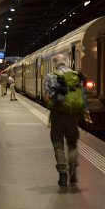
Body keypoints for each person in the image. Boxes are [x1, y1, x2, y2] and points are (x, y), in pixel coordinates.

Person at [43, 54, 86, 186]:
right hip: (73, 116)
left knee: (58, 144)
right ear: (68, 62)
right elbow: (82, 96)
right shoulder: (76, 75)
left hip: (57, 115)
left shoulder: (51, 76)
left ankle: (63, 174)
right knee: (72, 144)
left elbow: (46, 97)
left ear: (55, 63)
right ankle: (72, 168)